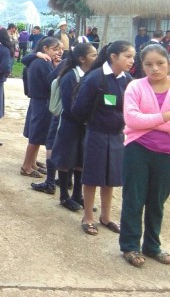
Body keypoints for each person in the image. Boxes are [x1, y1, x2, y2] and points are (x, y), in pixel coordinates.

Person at [72, 41, 135, 236]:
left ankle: (106, 217)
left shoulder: (127, 79)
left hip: (117, 136)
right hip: (96, 134)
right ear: (113, 57)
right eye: (128, 56)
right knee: (92, 176)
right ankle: (88, 216)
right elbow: (78, 109)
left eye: (133, 57)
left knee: (111, 177)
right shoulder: (95, 78)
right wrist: (94, 122)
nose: (132, 61)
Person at [120, 43, 170, 267]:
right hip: (137, 149)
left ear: (167, 63)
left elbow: (140, 120)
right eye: (149, 64)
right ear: (142, 66)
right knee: (134, 199)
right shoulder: (135, 87)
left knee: (157, 202)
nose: (155, 69)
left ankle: (152, 246)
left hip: (166, 154)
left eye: (160, 63)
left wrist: (148, 121)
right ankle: (131, 246)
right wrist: (166, 117)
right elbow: (131, 120)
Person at [50, 42, 98, 211]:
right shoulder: (70, 76)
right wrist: (85, 117)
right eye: (93, 55)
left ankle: (78, 195)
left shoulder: (90, 75)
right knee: (66, 159)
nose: (96, 58)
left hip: (84, 126)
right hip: (70, 125)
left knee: (80, 160)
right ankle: (64, 196)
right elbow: (69, 106)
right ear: (81, 59)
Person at [20, 37, 62, 178]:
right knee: (36, 135)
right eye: (54, 49)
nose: (58, 53)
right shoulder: (42, 62)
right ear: (45, 49)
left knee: (37, 135)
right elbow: (50, 82)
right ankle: (26, 166)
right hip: (42, 102)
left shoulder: (40, 60)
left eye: (59, 50)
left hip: (38, 101)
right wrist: (59, 69)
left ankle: (32, 163)